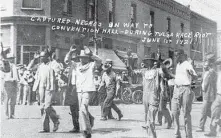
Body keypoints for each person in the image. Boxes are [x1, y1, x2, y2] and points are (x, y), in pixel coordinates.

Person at [130, 58, 163, 138]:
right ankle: (149, 133)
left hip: (153, 93)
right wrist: (130, 62)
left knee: (151, 116)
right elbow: (133, 71)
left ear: (152, 63)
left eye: (148, 62)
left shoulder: (158, 71)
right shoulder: (144, 71)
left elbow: (162, 81)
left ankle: (152, 135)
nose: (146, 63)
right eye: (145, 62)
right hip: (145, 94)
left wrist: (162, 91)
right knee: (147, 115)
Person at [73, 46, 102, 138]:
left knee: (82, 109)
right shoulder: (77, 66)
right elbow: (66, 61)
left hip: (88, 89)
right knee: (82, 110)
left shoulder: (92, 65)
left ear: (87, 58)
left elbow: (99, 61)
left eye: (84, 58)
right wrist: (70, 53)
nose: (82, 59)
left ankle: (86, 131)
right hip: (79, 90)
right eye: (81, 58)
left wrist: (91, 54)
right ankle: (90, 119)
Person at [171, 49, 197, 138]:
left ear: (182, 55)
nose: (175, 57)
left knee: (186, 114)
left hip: (185, 89)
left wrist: (191, 74)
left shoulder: (187, 64)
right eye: (174, 55)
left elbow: (195, 76)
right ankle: (177, 134)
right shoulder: (177, 65)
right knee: (174, 112)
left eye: (177, 55)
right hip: (176, 89)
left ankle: (189, 135)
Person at [32, 51, 60, 133]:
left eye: (43, 56)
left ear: (47, 57)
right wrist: (34, 59)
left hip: (49, 88)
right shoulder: (40, 66)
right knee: (42, 107)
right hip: (41, 87)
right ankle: (45, 128)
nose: (41, 58)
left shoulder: (53, 64)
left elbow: (58, 73)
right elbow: (31, 69)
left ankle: (56, 120)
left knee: (47, 106)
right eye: (40, 57)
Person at [196, 59, 217, 132]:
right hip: (205, 94)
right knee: (208, 112)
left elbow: (212, 84)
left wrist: (211, 71)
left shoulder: (212, 73)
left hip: (209, 95)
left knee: (203, 111)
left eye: (206, 66)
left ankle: (201, 127)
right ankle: (219, 121)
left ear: (209, 66)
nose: (204, 67)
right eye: (204, 65)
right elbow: (203, 83)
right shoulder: (204, 73)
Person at [64, 45, 80, 133]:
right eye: (73, 59)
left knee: (80, 108)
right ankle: (76, 126)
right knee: (73, 107)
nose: (73, 61)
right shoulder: (71, 67)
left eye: (75, 59)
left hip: (79, 88)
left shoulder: (80, 66)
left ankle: (89, 119)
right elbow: (66, 60)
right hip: (72, 88)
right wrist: (70, 52)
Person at [204, 57, 221, 137]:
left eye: (220, 63)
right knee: (214, 112)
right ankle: (213, 131)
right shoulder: (218, 73)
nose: (219, 65)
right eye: (218, 64)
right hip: (218, 95)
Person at [0, 53, 19, 119]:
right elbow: (2, 77)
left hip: (14, 84)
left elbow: (16, 76)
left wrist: (16, 83)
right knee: (6, 99)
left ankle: (12, 114)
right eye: (10, 58)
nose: (12, 60)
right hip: (7, 84)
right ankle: (6, 114)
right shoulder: (4, 66)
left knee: (13, 100)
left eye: (12, 58)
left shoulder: (14, 66)